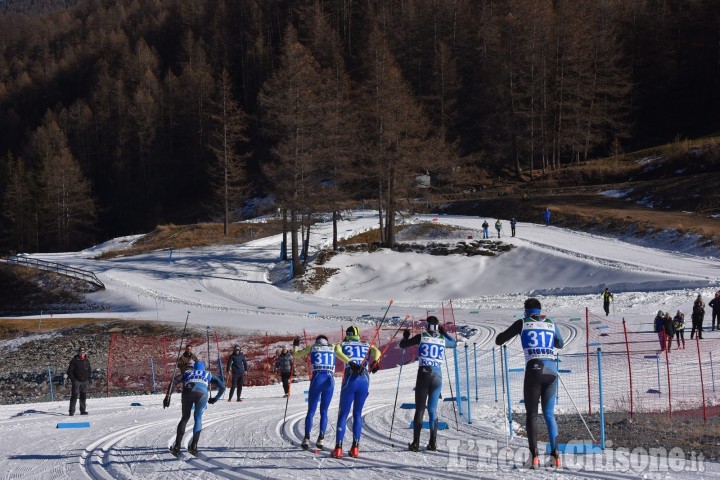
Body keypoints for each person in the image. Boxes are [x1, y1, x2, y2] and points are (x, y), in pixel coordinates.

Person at [495, 298, 564, 469]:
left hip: (534, 369)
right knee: (549, 414)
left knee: (532, 414)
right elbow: (560, 344)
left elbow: (499, 339)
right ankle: (555, 455)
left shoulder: (522, 323)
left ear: (526, 311)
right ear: (540, 311)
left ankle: (534, 457)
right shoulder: (550, 323)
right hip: (551, 370)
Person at [399, 316, 456, 452]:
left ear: (427, 326)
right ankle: (433, 443)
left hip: (424, 374)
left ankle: (416, 443)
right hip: (438, 377)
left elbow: (403, 345)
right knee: (432, 410)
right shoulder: (442, 340)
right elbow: (453, 343)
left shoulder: (421, 337)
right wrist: (444, 333)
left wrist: (406, 337)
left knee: (420, 409)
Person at [331, 326, 381, 458]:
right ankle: (355, 448)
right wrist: (375, 362)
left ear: (347, 335)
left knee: (343, 414)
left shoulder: (342, 344)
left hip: (350, 378)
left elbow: (336, 351)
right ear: (358, 335)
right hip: (364, 379)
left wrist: (350, 362)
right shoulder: (365, 344)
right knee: (357, 414)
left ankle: (338, 449)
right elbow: (377, 351)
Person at [165, 359, 225, 456]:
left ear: (194, 367)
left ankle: (177, 446)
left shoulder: (187, 372)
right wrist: (215, 398)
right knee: (198, 417)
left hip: (187, 392)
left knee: (185, 418)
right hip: (202, 394)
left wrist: (168, 396)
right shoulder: (208, 374)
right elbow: (222, 386)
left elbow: (174, 381)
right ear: (203, 367)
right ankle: (194, 445)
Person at [293, 334, 336, 450]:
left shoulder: (312, 347)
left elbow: (296, 355)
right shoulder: (333, 347)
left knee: (311, 411)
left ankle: (306, 438)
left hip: (317, 379)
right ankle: (321, 438)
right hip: (329, 380)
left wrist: (296, 345)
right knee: (324, 411)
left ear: (317, 341)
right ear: (326, 342)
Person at [67, 346, 91, 416]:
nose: (82, 354)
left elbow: (89, 370)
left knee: (83, 396)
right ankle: (71, 411)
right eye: (81, 352)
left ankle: (83, 410)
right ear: (78, 352)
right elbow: (69, 372)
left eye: (83, 352)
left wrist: (88, 378)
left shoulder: (86, 360)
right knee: (74, 396)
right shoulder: (74, 360)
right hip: (77, 381)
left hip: (85, 381)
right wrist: (73, 380)